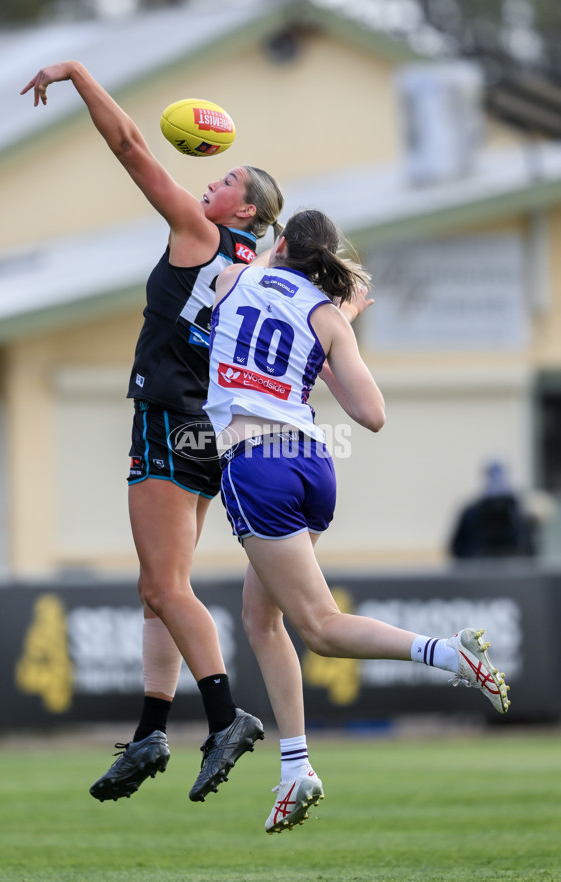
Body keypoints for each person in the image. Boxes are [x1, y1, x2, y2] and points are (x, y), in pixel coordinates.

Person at [20, 61, 286, 804]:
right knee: (156, 590)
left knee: (165, 587)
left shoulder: (202, 231)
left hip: (170, 417)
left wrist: (77, 74)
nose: (214, 181)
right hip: (202, 423)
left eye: (231, 179)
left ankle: (226, 717)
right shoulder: (246, 260)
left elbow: (133, 147)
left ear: (244, 210)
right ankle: (148, 732)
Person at [205, 208, 511, 833]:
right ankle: (296, 769)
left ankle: (446, 653)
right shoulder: (325, 314)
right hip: (312, 464)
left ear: (281, 243)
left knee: (319, 627)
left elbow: (240, 286)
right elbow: (371, 414)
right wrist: (338, 324)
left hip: (257, 464)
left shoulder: (234, 278)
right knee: (261, 619)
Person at [449, 460, 537, 559]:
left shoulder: (517, 513)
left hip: (510, 568)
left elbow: (529, 548)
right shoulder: (472, 513)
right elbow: (458, 547)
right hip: (479, 568)